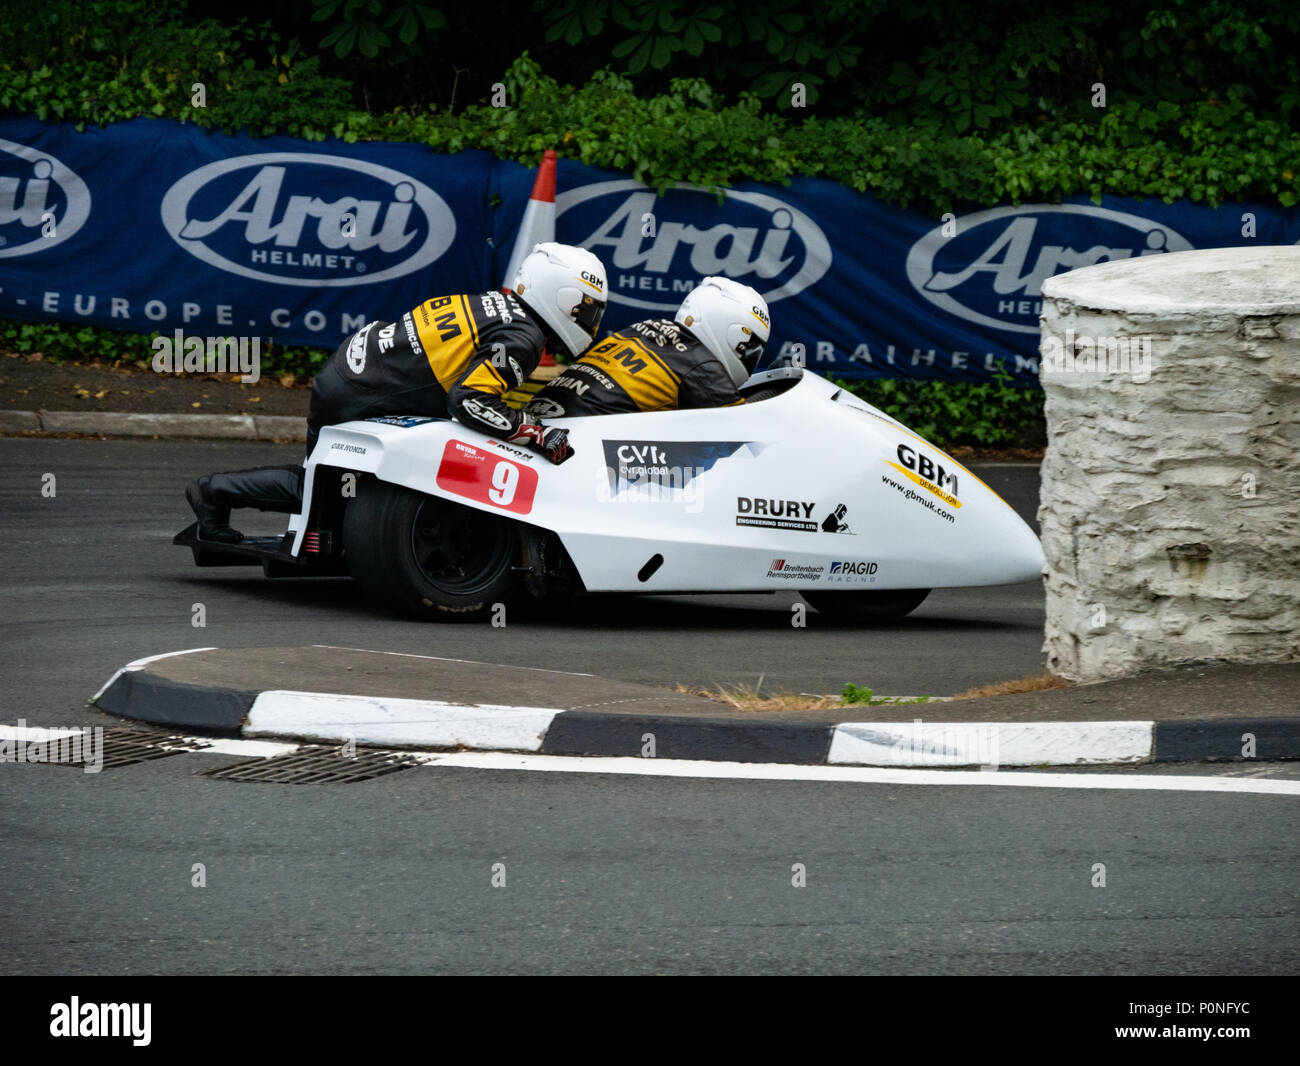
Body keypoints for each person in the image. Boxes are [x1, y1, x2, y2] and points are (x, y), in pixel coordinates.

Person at [185, 242, 607, 544]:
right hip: (365, 391)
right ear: (562, 297)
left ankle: (216, 495)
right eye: (587, 309)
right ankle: (213, 491)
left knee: (329, 495)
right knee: (331, 500)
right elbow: (470, 402)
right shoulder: (523, 336)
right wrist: (535, 432)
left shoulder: (497, 305)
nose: (589, 321)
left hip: (356, 369)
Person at [524, 276, 770, 419]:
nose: (748, 357)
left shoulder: (645, 327)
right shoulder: (702, 366)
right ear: (734, 334)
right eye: (749, 349)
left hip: (536, 417)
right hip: (574, 444)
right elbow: (743, 431)